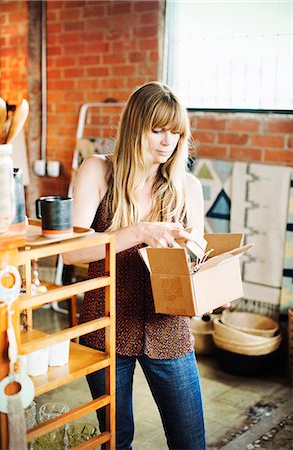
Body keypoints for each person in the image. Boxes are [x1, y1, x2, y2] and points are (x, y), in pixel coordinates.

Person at [63, 81, 206, 450]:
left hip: (168, 328)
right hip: (106, 325)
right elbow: (72, 253)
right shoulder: (98, 171)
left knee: (190, 442)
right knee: (117, 440)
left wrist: (196, 263)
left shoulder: (188, 187)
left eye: (174, 133)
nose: (166, 142)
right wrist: (139, 231)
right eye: (156, 130)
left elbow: (198, 263)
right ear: (133, 127)